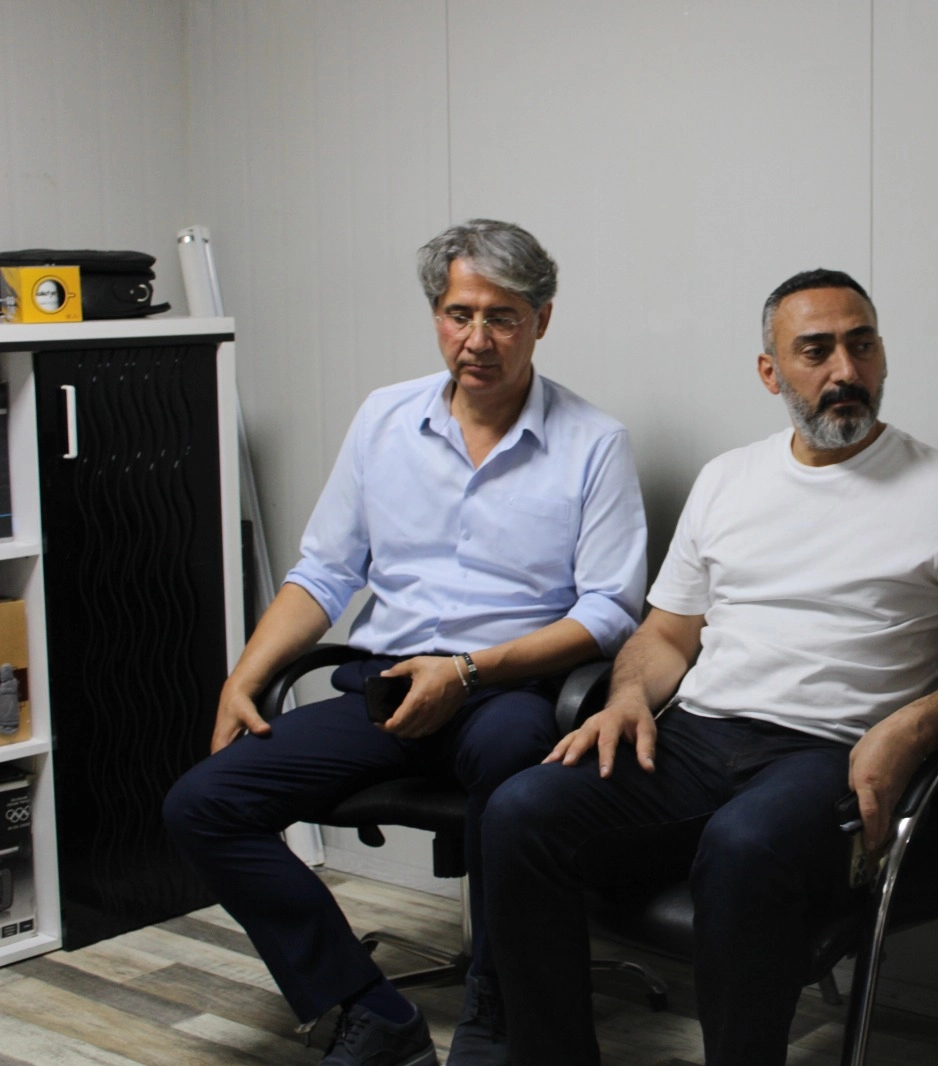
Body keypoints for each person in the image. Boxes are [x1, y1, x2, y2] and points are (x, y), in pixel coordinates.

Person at [479, 268, 938, 1065]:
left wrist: (911, 730)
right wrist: (627, 697)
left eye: (861, 345)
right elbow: (667, 635)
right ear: (771, 372)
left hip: (831, 755)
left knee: (744, 845)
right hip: (696, 738)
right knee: (520, 811)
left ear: (882, 356)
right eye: (816, 351)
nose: (844, 370)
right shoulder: (728, 479)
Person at [164, 220, 648, 1066]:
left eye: (502, 317)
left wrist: (467, 671)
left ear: (541, 320)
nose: (477, 340)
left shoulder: (592, 442)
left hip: (508, 690)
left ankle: (499, 1007)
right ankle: (368, 1009)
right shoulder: (384, 418)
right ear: (436, 315)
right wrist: (244, 675)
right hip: (384, 687)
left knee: (516, 760)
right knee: (201, 803)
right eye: (460, 314)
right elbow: (323, 572)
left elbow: (610, 610)